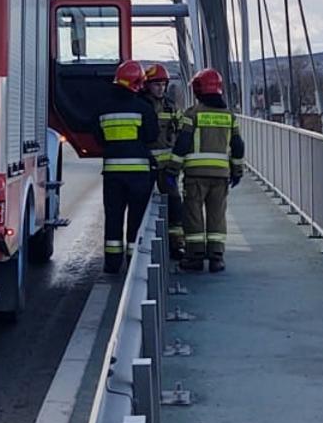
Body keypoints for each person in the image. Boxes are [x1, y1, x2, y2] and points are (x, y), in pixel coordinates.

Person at [172, 68, 244, 272]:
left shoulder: (192, 114)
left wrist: (172, 170)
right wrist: (237, 170)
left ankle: (194, 257)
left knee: (193, 214)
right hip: (221, 176)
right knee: (217, 215)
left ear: (197, 90)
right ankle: (216, 257)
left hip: (195, 175)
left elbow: (183, 143)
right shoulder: (229, 116)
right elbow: (238, 146)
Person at [96, 59, 159, 274]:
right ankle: (133, 263)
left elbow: (98, 138)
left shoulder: (103, 108)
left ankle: (112, 264)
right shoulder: (144, 108)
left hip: (112, 175)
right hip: (139, 175)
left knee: (113, 219)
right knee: (136, 219)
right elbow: (152, 136)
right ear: (137, 83)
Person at [142, 63, 186, 260]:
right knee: (142, 204)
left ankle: (176, 244)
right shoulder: (142, 105)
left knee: (175, 202)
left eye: (163, 84)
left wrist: (177, 165)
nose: (160, 88)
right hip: (147, 165)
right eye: (156, 84)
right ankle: (142, 245)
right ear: (147, 85)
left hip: (167, 169)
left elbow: (181, 133)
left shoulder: (172, 107)